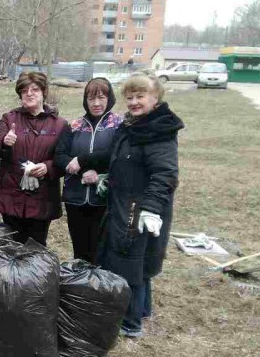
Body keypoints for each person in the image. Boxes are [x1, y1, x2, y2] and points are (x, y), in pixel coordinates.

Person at [98, 73, 183, 338]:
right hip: (124, 201)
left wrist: (152, 208)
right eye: (130, 97)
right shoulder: (133, 125)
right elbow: (121, 158)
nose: (134, 102)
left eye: (140, 96)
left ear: (155, 98)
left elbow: (165, 173)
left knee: (130, 262)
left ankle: (130, 323)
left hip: (139, 207)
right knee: (136, 260)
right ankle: (143, 310)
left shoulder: (159, 130)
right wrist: (106, 177)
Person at [0, 71, 66, 245]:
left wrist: (47, 167)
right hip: (11, 195)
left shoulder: (59, 124)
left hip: (42, 197)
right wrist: (5, 142)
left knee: (35, 248)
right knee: (11, 246)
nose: (29, 94)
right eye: (24, 91)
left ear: (43, 93)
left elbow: (63, 160)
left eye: (35, 89)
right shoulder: (10, 118)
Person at [54, 77, 123, 263]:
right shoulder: (75, 125)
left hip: (104, 199)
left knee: (100, 252)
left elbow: (116, 154)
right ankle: (81, 287)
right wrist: (81, 171)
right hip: (75, 199)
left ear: (110, 98)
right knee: (80, 251)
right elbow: (60, 156)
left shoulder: (119, 125)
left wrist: (82, 160)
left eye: (101, 97)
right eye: (91, 98)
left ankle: (99, 288)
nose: (97, 103)